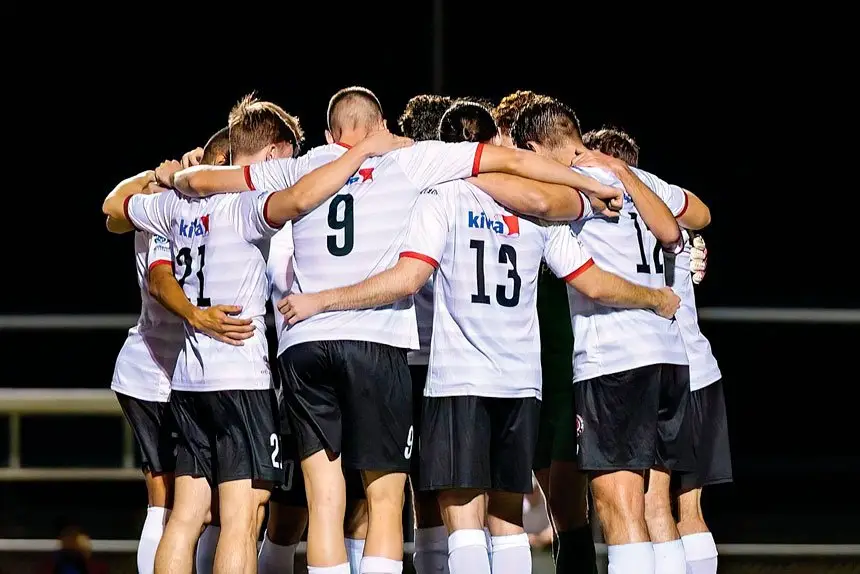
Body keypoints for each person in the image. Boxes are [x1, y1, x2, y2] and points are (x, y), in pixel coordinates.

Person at [168, 85, 624, 574]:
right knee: (386, 500)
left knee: (324, 501)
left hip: (304, 340)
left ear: (328, 134)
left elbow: (201, 182)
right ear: (382, 124)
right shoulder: (412, 162)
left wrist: (173, 173)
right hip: (380, 340)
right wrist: (591, 185)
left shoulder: (302, 165)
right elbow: (514, 166)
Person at [276, 101, 680, 574]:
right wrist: (653, 296)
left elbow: (408, 278)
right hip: (520, 383)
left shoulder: (438, 197)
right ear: (494, 143)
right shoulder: (536, 210)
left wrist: (321, 300)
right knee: (507, 521)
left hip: (458, 379)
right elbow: (590, 278)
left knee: (455, 520)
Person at [102, 94, 410, 574]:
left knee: (183, 516)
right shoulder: (247, 207)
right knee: (243, 518)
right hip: (239, 372)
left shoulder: (174, 205)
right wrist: (364, 151)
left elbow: (115, 210)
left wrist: (164, 177)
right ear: (270, 152)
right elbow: (304, 197)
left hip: (187, 379)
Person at [510, 97, 711, 574]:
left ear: (536, 146)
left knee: (620, 510)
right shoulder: (642, 180)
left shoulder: (571, 196)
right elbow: (688, 223)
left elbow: (537, 204)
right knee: (655, 508)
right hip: (670, 358)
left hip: (616, 360)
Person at [583, 127, 728, 574]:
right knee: (684, 510)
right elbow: (701, 213)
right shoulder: (659, 192)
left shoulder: (605, 195)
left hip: (651, 363)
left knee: (650, 509)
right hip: (697, 369)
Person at [495, 89, 598, 574]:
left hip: (569, 356)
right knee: (535, 497)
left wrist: (686, 248)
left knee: (576, 496)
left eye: (516, 139)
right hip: (516, 360)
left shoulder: (574, 187)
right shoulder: (497, 186)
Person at [397, 93, 455, 574]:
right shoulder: (476, 186)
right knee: (445, 493)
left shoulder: (395, 182)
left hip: (404, 355)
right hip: (454, 361)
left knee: (388, 490)